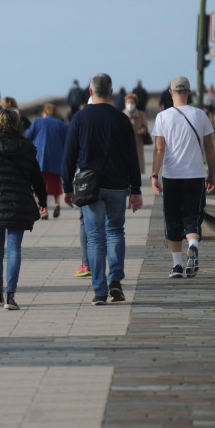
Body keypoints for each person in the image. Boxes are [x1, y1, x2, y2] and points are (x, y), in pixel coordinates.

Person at [63, 72, 143, 306]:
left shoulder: (79, 118)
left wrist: (67, 187)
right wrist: (136, 190)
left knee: (96, 237)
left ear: (90, 92)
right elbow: (132, 158)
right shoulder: (121, 120)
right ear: (111, 92)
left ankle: (99, 291)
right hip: (118, 185)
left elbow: (69, 156)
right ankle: (115, 281)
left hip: (89, 186)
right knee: (116, 231)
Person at [0, 109, 48, 311]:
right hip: (18, 204)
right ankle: (10, 296)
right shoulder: (27, 147)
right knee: (14, 250)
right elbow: (36, 177)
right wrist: (43, 200)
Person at [150, 76, 215, 279]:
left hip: (172, 176)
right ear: (189, 92)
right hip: (195, 175)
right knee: (192, 216)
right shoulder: (201, 115)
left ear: (171, 93)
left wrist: (154, 174)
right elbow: (209, 148)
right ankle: (193, 246)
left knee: (173, 219)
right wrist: (211, 175)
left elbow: (160, 150)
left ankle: (177, 265)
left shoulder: (162, 117)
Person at [26, 103, 69, 219]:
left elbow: (27, 136)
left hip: (39, 158)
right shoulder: (62, 125)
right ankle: (56, 204)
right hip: (56, 158)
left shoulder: (37, 122)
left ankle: (44, 211)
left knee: (41, 184)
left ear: (44, 113)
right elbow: (67, 142)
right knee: (55, 182)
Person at [124, 93, 150, 175]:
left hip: (138, 142)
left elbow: (146, 127)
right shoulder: (122, 114)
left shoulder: (141, 114)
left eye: (132, 102)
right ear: (125, 103)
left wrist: (143, 130)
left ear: (135, 103)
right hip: (126, 143)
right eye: (128, 102)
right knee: (126, 162)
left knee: (137, 163)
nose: (130, 104)